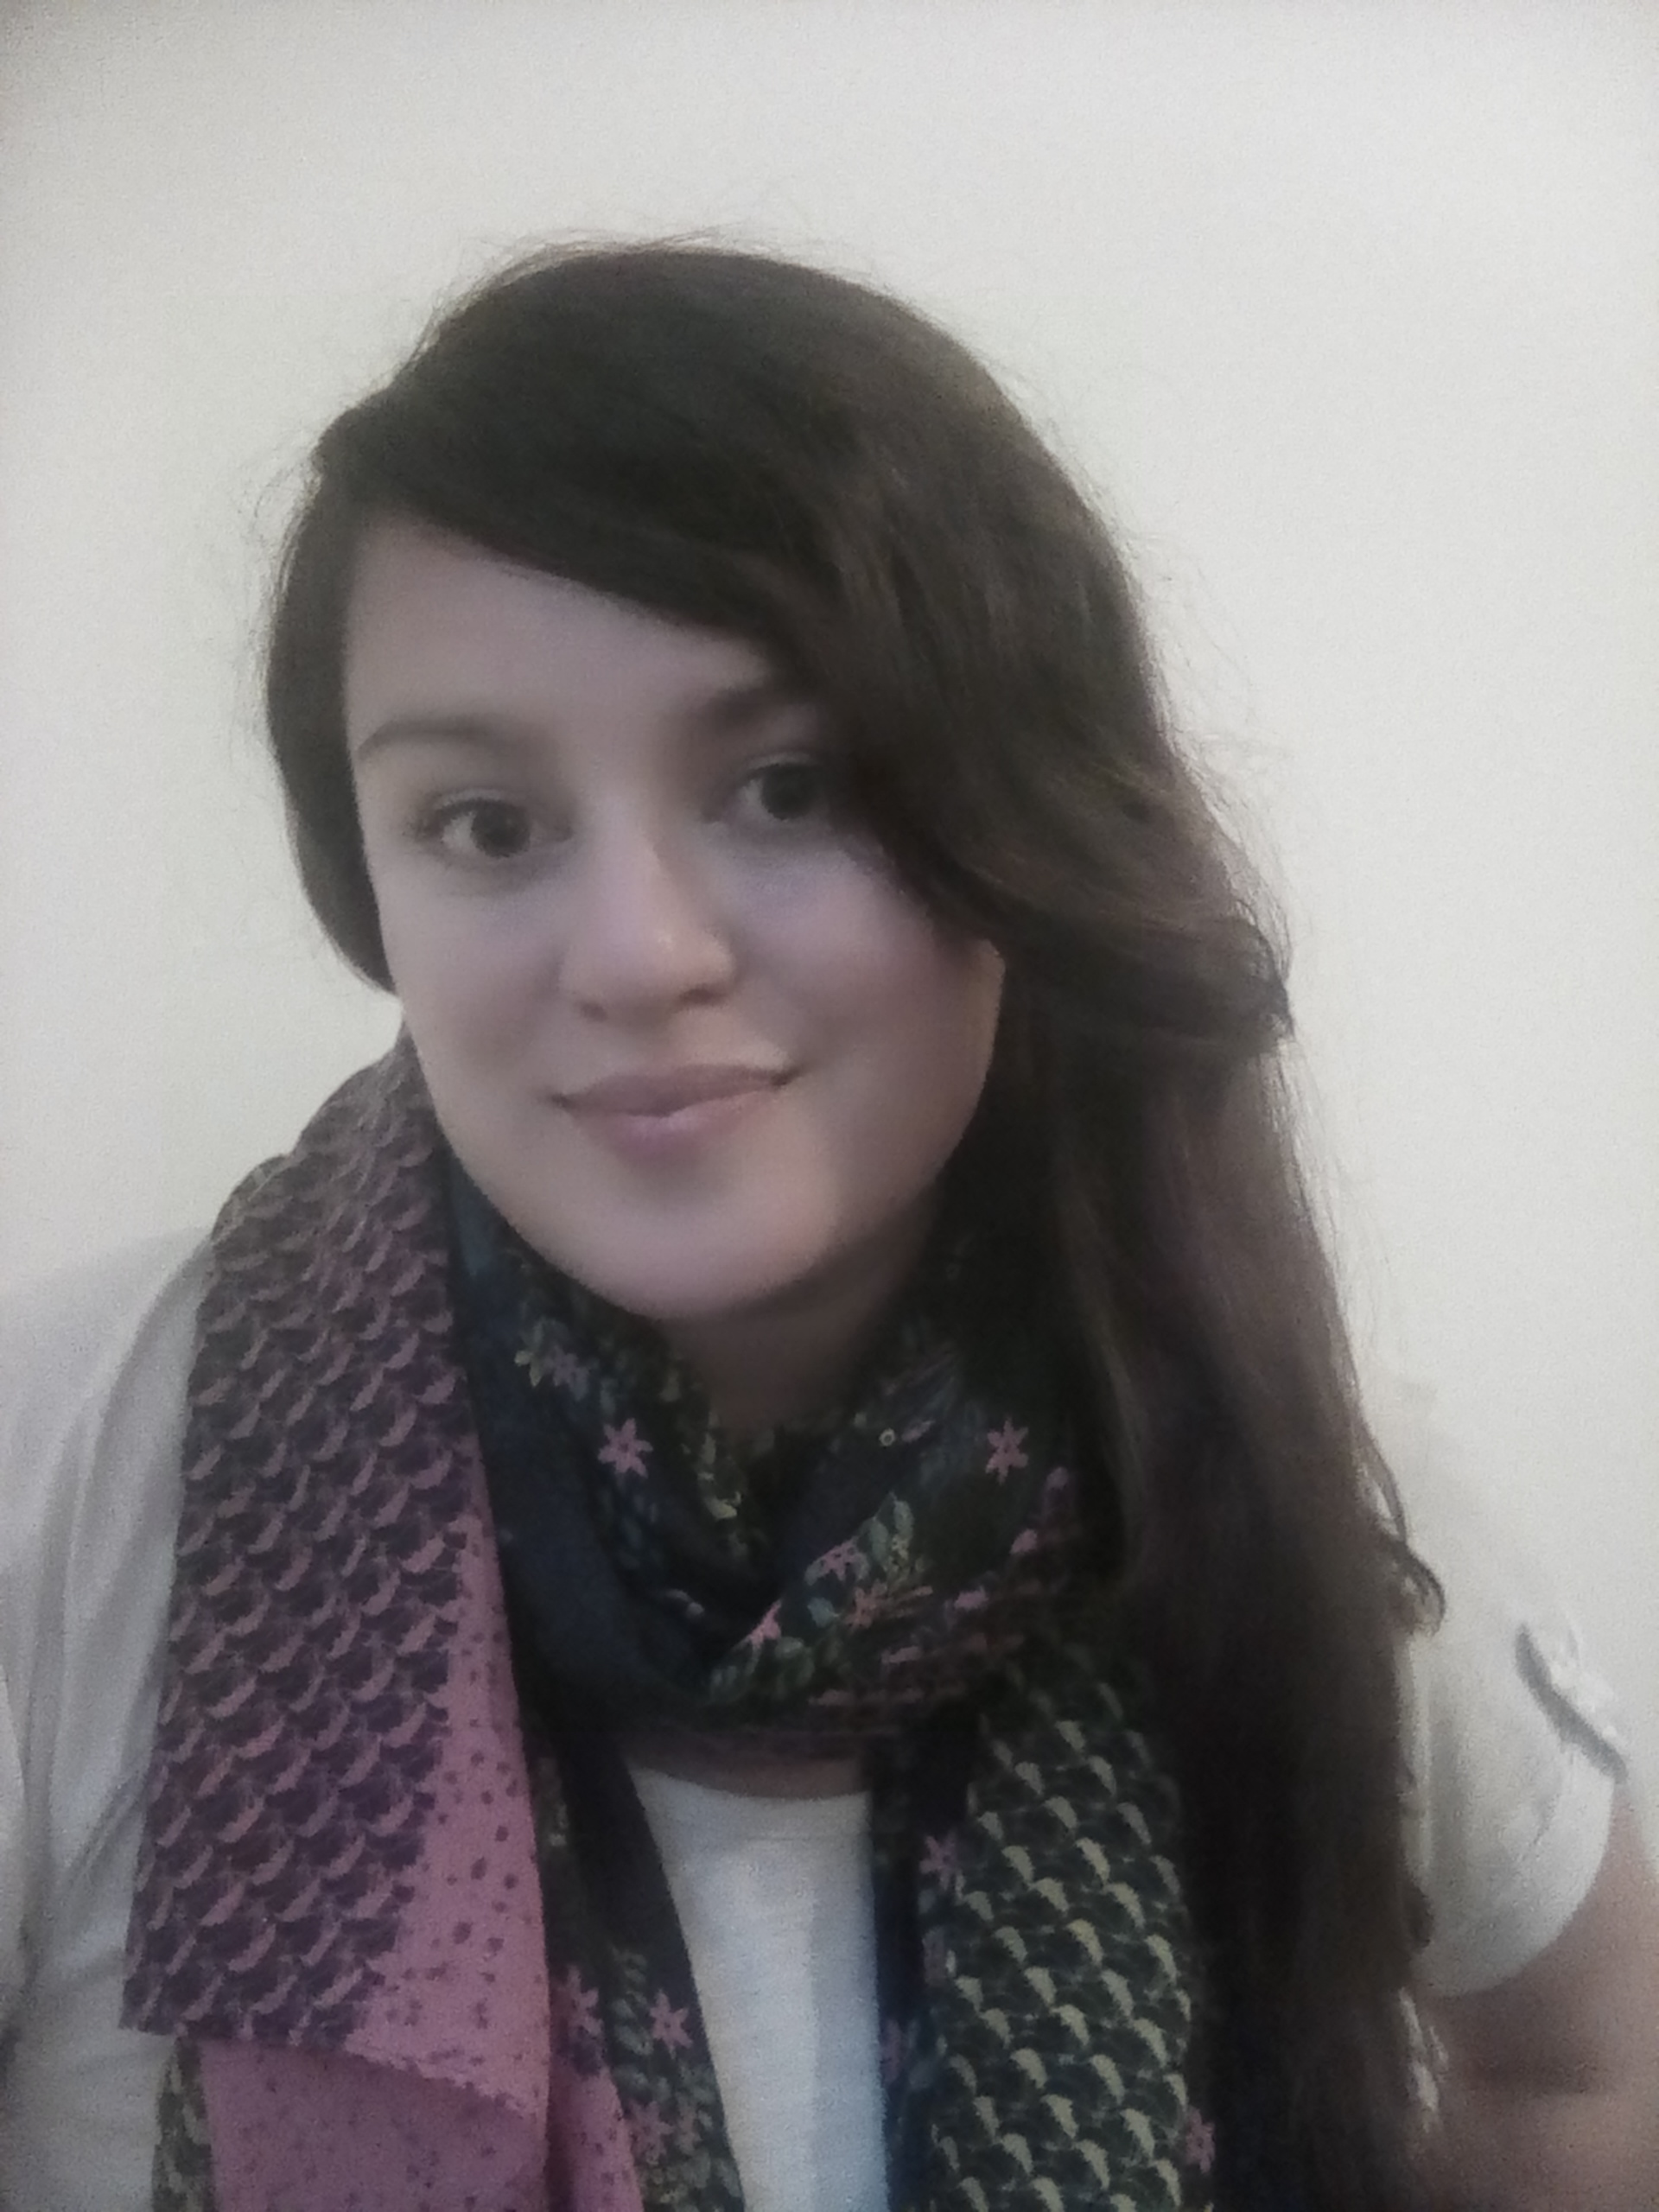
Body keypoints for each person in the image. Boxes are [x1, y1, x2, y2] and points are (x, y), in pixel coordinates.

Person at [1, 242, 1655, 2212]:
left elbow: (1587, 2063)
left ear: (1030, 819)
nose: (635, 954)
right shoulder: (78, 1466)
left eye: (788, 786)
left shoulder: (1283, 1469)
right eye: (486, 825)